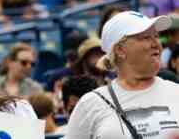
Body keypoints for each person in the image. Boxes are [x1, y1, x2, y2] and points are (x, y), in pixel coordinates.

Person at [65, 11, 179, 139]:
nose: (157, 44)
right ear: (120, 50)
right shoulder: (91, 103)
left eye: (156, 36)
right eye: (146, 37)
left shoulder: (176, 92)